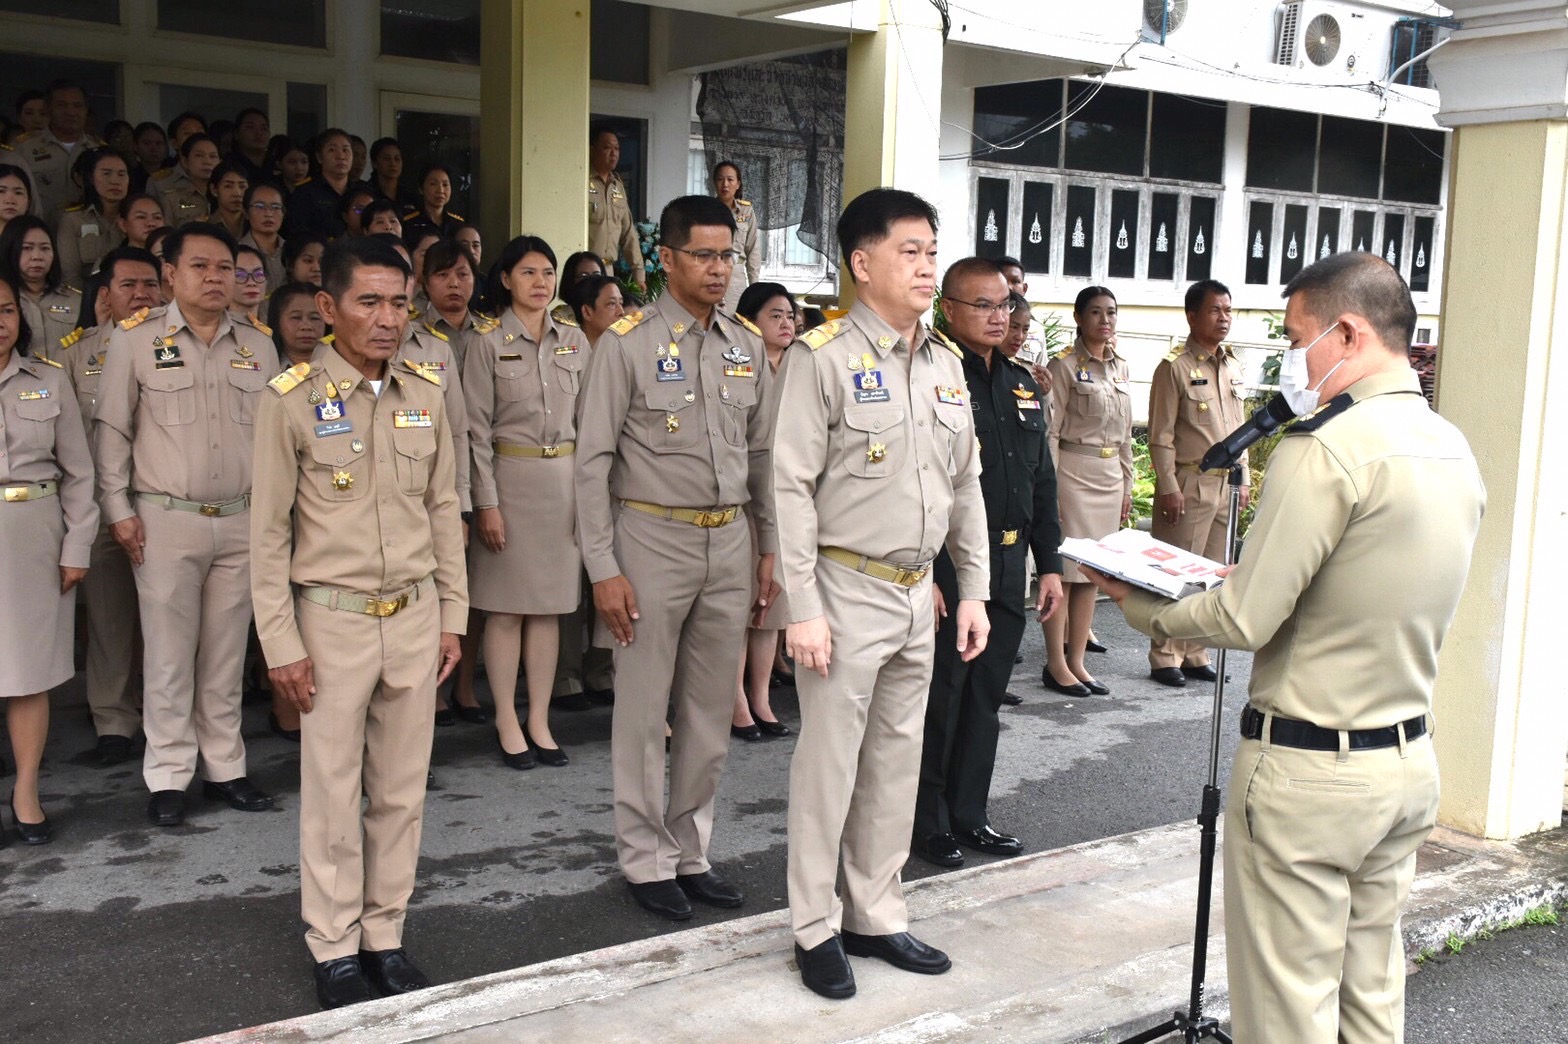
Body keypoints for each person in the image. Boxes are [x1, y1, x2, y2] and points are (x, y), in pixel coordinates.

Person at [1083, 252, 1485, 1044]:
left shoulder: (1326, 447)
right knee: (1370, 999)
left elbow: (1243, 619)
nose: (1289, 358)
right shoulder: (1449, 445)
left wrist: (1146, 612)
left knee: (1287, 1014)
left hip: (1309, 774)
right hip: (1405, 763)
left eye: (1298, 336)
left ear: (1347, 332)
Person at [772, 187, 989, 1000]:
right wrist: (802, 608)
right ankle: (813, 924)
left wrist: (972, 588)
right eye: (911, 250)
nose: (928, 264)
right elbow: (788, 488)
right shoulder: (821, 357)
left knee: (897, 762)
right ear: (862, 264)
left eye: (932, 250)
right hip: (842, 585)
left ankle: (875, 910)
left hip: (915, 594)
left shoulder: (944, 363)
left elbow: (965, 483)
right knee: (828, 766)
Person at [250, 236, 467, 1010]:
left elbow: (445, 508)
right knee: (335, 788)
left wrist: (454, 615)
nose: (386, 318)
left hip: (414, 614)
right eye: (368, 302)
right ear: (328, 309)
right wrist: (280, 641)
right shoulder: (292, 398)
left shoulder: (428, 391)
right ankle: (335, 943)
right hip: (331, 621)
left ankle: (385, 934)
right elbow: (269, 534)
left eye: (397, 302)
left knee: (402, 791)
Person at [575, 194, 776, 921]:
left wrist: (769, 549)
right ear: (666, 258)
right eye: (704, 255)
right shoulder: (625, 343)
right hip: (650, 539)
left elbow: (762, 457)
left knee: (707, 711)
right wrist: (603, 567)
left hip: (729, 539)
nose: (719, 268)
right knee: (641, 707)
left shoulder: (745, 344)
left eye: (727, 255)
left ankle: (691, 850)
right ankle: (644, 858)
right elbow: (591, 464)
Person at [93, 222, 277, 827]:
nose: (215, 277)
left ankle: (226, 768)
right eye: (200, 266)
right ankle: (169, 773)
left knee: (225, 655)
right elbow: (114, 429)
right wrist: (118, 510)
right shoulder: (136, 340)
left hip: (242, 519)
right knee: (170, 656)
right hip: (165, 520)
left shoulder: (258, 342)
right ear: (170, 274)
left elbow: (277, 441)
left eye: (225, 267)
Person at [912, 258, 1064, 870]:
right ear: (947, 308)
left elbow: (1043, 482)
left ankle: (971, 814)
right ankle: (928, 821)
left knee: (986, 697)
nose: (998, 316)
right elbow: (918, 482)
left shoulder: (1022, 383)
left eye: (1004, 305)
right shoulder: (934, 377)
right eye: (982, 305)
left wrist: (1048, 563)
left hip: (1008, 564)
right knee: (940, 697)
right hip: (951, 567)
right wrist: (925, 569)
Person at [466, 235, 587, 768]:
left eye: (547, 272)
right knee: (506, 609)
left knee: (549, 611)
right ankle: (506, 718)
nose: (540, 283)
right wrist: (485, 503)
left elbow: (591, 424)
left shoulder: (575, 340)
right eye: (529, 273)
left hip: (562, 479)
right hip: (509, 479)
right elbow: (472, 430)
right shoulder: (485, 341)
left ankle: (539, 717)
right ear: (506, 279)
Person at [0, 269, 98, 844]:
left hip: (35, 535)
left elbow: (79, 474)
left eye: (7, 310)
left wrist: (77, 545)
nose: (0, 322)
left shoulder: (48, 379)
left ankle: (27, 789)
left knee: (29, 674)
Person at [59, 246, 161, 765]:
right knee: (110, 619)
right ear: (107, 296)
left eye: (150, 284)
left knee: (170, 622)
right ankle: (115, 725)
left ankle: (169, 721)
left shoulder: (178, 344)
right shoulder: (77, 354)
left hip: (167, 506)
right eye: (129, 285)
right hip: (103, 506)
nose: (141, 294)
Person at [1144, 279, 1251, 688]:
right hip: (1190, 480)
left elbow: (1241, 429)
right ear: (1192, 316)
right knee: (1176, 571)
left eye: (1228, 310)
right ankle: (1164, 654)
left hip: (1227, 484)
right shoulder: (1174, 367)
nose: (1223, 318)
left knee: (1211, 574)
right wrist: (1168, 484)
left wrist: (1244, 478)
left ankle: (1194, 651)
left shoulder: (1231, 364)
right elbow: (1161, 435)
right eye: (1214, 310)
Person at [1040, 286, 1131, 698]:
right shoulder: (1065, 366)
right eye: (1095, 312)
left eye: (1110, 312)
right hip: (1073, 476)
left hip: (1110, 475)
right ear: (1079, 318)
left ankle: (1078, 660)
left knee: (1092, 576)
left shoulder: (1121, 367)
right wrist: (1052, 488)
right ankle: (1056, 663)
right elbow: (1052, 433)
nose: (1105, 320)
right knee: (1065, 573)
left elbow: (1127, 436)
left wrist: (1128, 484)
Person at [729, 281, 796, 740]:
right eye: (776, 315)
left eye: (791, 315)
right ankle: (734, 701)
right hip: (744, 500)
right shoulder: (735, 364)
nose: (788, 322)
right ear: (749, 320)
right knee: (739, 607)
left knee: (773, 608)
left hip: (787, 501)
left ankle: (760, 697)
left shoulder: (803, 367)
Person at [15, 81, 102, 226]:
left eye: (77, 105)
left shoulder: (100, 150)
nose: (71, 112)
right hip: (41, 239)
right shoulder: (24, 149)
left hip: (89, 240)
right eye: (62, 105)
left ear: (86, 110)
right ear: (48, 109)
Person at [0, 215, 80, 356]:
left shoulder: (77, 300)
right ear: (10, 250)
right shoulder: (4, 299)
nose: (37, 256)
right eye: (27, 248)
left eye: (44, 248)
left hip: (66, 377)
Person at [56, 148, 130, 284]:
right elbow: (70, 277)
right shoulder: (73, 219)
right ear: (91, 178)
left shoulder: (136, 218)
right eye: (106, 173)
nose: (115, 181)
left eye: (121, 174)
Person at [421, 238, 494, 373]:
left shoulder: (493, 333)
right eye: (443, 274)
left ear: (474, 280)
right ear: (426, 283)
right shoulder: (411, 334)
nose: (454, 283)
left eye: (462, 274)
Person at [586, 127, 645, 294]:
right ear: (592, 150)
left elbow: (628, 233)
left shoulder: (617, 186)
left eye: (617, 148)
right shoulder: (582, 181)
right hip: (585, 270)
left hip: (608, 269)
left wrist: (638, 273)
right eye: (607, 148)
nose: (614, 153)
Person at [285, 129, 354, 240]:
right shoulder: (305, 192)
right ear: (319, 157)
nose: (341, 156)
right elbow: (297, 235)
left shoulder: (361, 191)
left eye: (346, 150)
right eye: (332, 150)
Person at [712, 161, 761, 314]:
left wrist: (754, 287)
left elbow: (753, 249)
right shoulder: (706, 210)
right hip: (711, 270)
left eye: (730, 179)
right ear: (714, 182)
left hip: (736, 274)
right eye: (720, 179)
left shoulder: (746, 211)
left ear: (738, 184)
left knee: (735, 321)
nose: (725, 184)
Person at [158, 134, 220, 226]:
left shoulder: (226, 196)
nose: (207, 161)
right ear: (185, 161)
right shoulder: (171, 200)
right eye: (199, 155)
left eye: (213, 156)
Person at [239, 182, 287, 288]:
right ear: (246, 212)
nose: (268, 213)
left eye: (275, 207)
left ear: (283, 213)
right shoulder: (236, 253)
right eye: (259, 206)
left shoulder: (293, 250)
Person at [267, 280, 324, 369]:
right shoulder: (265, 364)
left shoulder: (341, 364)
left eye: (314, 318)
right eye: (296, 317)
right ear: (277, 321)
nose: (306, 327)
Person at [402, 165, 464, 243]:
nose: (440, 190)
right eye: (433, 184)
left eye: (445, 185)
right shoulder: (408, 223)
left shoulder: (458, 224)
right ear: (421, 189)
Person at [565, 273, 624, 346]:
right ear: (587, 312)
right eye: (612, 303)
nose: (621, 312)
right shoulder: (567, 354)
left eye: (621, 303)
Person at [207, 160, 250, 241]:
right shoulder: (205, 226)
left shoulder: (256, 222)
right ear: (214, 190)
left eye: (242, 186)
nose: (237, 193)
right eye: (228, 186)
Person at [368, 138, 416, 211]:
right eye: (386, 159)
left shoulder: (409, 196)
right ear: (374, 163)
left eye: (397, 159)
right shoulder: (366, 194)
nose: (393, 163)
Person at [230, 108, 272, 188]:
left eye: (264, 128)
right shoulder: (229, 166)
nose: (258, 133)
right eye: (250, 127)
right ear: (236, 134)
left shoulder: (278, 165)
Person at [231, 244, 268, 323]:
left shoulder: (276, 326)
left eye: (258, 274)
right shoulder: (213, 329)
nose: (251, 283)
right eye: (240, 275)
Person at [131, 122, 169, 195]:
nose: (154, 148)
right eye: (147, 143)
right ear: (135, 146)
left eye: (159, 143)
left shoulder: (175, 172)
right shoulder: (131, 178)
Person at [0, 164, 33, 238]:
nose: (10, 201)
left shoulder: (37, 238)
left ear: (28, 203)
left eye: (18, 193)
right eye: (1, 191)